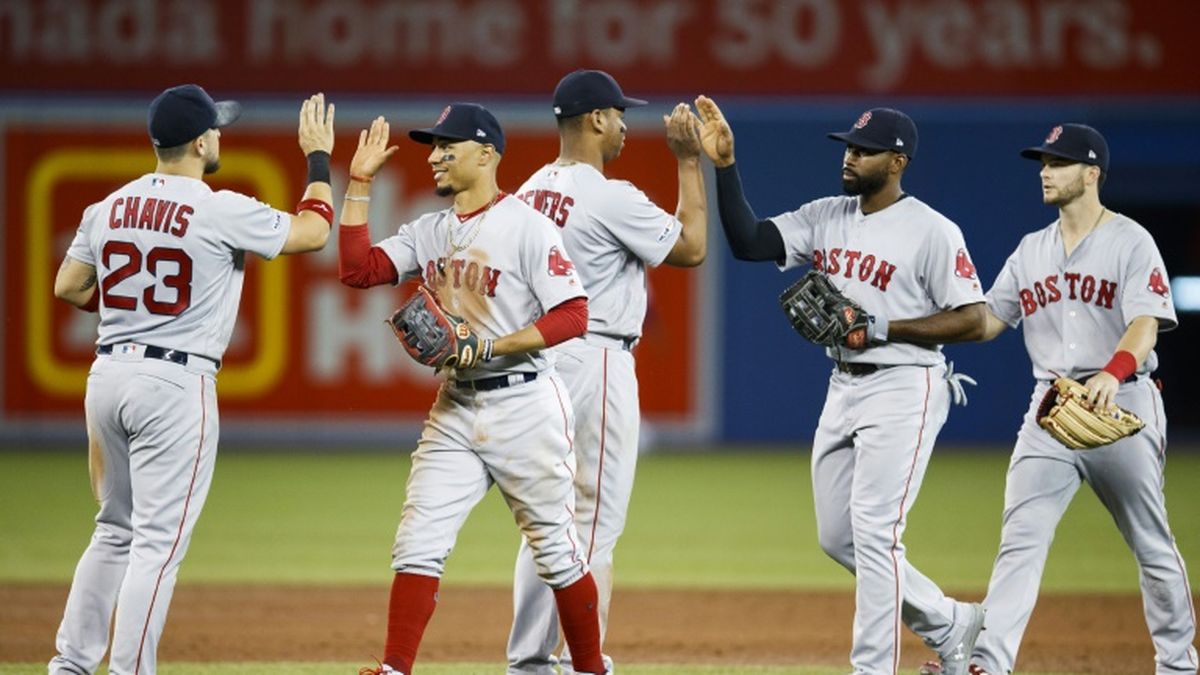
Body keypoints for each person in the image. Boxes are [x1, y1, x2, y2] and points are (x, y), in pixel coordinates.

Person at [694, 96, 989, 675]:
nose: (850, 157)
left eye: (864, 150)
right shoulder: (828, 213)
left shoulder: (933, 230)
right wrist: (724, 166)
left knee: (877, 534)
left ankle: (871, 668)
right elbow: (750, 242)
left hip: (907, 384)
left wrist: (883, 326)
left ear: (897, 160)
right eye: (849, 147)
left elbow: (974, 319)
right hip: (843, 384)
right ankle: (950, 622)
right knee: (840, 537)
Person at [49, 84, 336, 674]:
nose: (221, 138)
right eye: (217, 130)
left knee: (113, 532)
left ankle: (69, 665)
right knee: (157, 545)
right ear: (201, 140)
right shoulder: (217, 206)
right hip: (174, 386)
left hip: (108, 374)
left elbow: (69, 287)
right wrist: (318, 159)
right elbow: (313, 233)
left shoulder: (107, 208)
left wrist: (135, 316)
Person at [337, 103, 608, 675]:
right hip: (456, 404)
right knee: (417, 540)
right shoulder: (430, 231)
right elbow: (359, 270)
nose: (434, 156)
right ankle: (394, 668)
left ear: (486, 154)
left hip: (526, 402)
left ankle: (591, 669)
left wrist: (492, 345)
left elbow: (574, 315)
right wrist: (359, 183)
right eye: (433, 146)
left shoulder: (527, 225)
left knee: (557, 552)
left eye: (448, 146)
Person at [968, 124, 1197, 675]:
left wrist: (1114, 374)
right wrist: (902, 326)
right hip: (1050, 410)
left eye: (1059, 162)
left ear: (1092, 173)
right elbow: (985, 320)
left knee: (1150, 542)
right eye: (1043, 162)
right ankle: (986, 663)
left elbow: (1146, 322)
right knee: (1020, 539)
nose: (1045, 171)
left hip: (1123, 408)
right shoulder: (1031, 251)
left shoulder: (1131, 241)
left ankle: (1179, 665)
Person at [505, 70, 708, 675]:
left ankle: (530, 660)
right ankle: (574, 661)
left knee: (547, 517)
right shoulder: (609, 195)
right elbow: (693, 247)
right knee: (591, 520)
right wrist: (689, 163)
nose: (624, 124)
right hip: (593, 359)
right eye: (619, 114)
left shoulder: (527, 191)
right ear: (595, 119)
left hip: (538, 358)